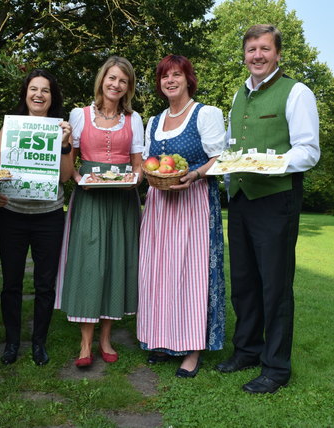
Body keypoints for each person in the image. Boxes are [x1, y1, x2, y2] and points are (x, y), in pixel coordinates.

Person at [215, 24, 320, 393]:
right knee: (243, 283)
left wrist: (270, 165)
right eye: (250, 50)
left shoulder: (296, 92)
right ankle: (246, 350)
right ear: (244, 55)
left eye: (264, 49)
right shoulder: (238, 95)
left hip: (276, 199)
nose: (256, 55)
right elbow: (234, 144)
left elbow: (308, 150)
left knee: (275, 286)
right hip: (242, 199)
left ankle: (275, 368)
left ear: (277, 53)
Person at [137, 55, 227, 378]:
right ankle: (162, 339)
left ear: (189, 79)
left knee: (191, 275)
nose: (170, 80)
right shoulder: (154, 121)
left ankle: (192, 349)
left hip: (194, 204)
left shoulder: (206, 114)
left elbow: (220, 158)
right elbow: (150, 162)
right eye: (165, 76)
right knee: (160, 274)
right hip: (160, 207)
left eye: (177, 74)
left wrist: (197, 174)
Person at [54, 56, 144, 367]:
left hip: (121, 201)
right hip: (89, 197)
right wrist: (80, 179)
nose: (116, 85)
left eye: (123, 80)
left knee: (115, 264)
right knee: (89, 264)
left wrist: (133, 181)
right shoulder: (79, 115)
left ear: (128, 87)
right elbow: (68, 167)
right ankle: (85, 342)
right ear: (102, 80)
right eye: (112, 78)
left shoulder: (134, 120)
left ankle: (106, 338)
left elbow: (138, 166)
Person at [0, 69, 73, 366]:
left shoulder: (61, 129)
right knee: (11, 282)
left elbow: (64, 177)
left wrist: (64, 144)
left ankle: (39, 344)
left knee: (45, 284)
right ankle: (12, 343)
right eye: (33, 89)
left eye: (45, 90)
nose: (39, 94)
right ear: (26, 93)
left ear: (52, 97)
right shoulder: (10, 127)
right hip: (12, 214)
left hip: (48, 216)